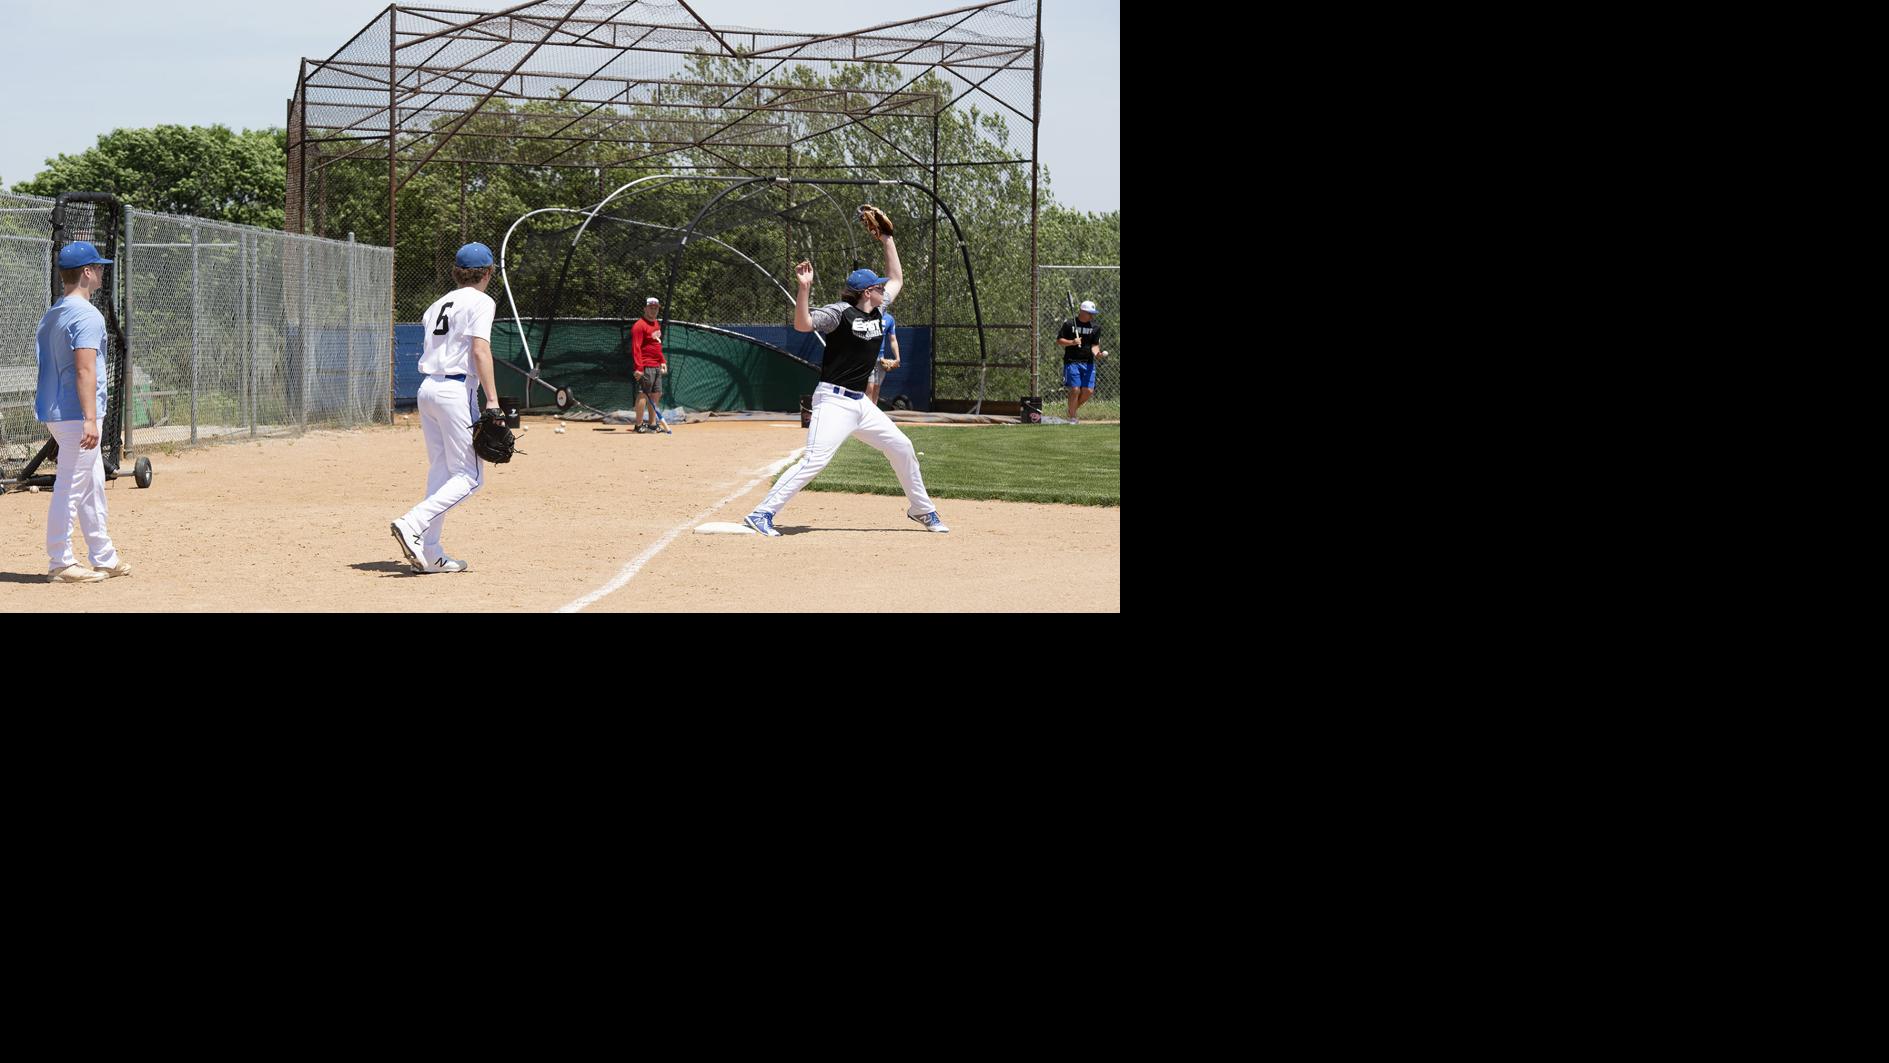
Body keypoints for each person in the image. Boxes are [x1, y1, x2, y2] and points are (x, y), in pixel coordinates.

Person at [743, 220, 948, 537]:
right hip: (833, 401)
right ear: (868, 292)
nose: (884, 290)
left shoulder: (878, 312)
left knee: (902, 447)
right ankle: (762, 513)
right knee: (814, 461)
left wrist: (887, 239)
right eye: (878, 287)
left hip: (860, 405)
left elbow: (897, 278)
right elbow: (803, 324)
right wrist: (803, 290)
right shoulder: (839, 312)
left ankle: (921, 509)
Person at [390, 242, 502, 574]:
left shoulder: (436, 304)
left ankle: (430, 552)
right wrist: (493, 402)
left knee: (442, 470)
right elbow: (480, 351)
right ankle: (414, 522)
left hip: (428, 390)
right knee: (470, 477)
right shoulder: (482, 301)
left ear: (457, 272)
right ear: (488, 273)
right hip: (456, 390)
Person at [35, 240, 130, 583]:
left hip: (58, 410)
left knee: (91, 485)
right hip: (77, 414)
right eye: (99, 267)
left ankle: (103, 556)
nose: (102, 271)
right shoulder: (87, 315)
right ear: (87, 273)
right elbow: (84, 369)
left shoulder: (55, 312)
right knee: (71, 486)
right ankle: (60, 562)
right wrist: (90, 418)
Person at [1056, 299, 1108, 423]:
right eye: (1090, 313)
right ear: (1082, 312)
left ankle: (1071, 410)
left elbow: (1094, 345)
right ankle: (1073, 417)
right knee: (1075, 389)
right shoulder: (1069, 324)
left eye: (1093, 313)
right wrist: (1072, 342)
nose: (1092, 315)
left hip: (1088, 363)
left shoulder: (1096, 327)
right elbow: (1059, 340)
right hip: (1072, 361)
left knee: (1088, 391)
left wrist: (1098, 354)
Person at [630, 296, 668, 433]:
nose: (653, 310)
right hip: (645, 366)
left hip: (656, 366)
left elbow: (657, 345)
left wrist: (662, 360)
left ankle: (652, 425)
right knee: (643, 395)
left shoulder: (656, 324)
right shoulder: (639, 326)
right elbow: (636, 348)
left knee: (656, 395)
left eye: (656, 308)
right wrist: (638, 368)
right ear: (645, 309)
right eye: (651, 308)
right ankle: (638, 425)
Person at [866, 306, 900, 407]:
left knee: (876, 388)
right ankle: (865, 417)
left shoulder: (889, 319)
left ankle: (873, 415)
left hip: (880, 359)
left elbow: (893, 340)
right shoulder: (867, 316)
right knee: (870, 387)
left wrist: (897, 358)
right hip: (868, 358)